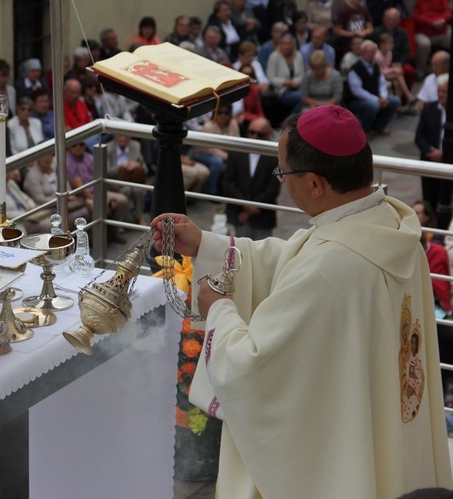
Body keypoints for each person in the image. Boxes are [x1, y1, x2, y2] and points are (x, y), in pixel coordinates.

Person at [151, 105, 453, 498]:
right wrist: (209, 245)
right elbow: (297, 258)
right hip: (386, 420)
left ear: (314, 183)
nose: (282, 182)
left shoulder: (331, 268)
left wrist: (219, 308)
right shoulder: (390, 226)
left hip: (339, 440)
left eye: (282, 173)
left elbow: (253, 365)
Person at [222, 117, 279, 240]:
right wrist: (244, 205)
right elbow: (229, 183)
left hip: (262, 216)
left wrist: (250, 209)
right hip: (237, 214)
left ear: (268, 135)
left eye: (260, 134)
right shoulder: (236, 152)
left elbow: (273, 188)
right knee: (238, 254)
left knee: (263, 255)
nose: (254, 137)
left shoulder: (275, 156)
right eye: (252, 132)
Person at [416, 74, 452, 226]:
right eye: (440, 91)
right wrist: (431, 151)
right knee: (429, 198)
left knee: (446, 199)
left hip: (449, 164)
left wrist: (445, 154)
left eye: (445, 91)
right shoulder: (429, 108)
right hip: (430, 161)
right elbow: (419, 136)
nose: (441, 95)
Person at [347, 40, 401, 138]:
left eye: (372, 52)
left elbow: (382, 83)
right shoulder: (355, 69)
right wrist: (377, 99)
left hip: (377, 97)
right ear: (362, 52)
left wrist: (383, 97)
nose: (370, 55)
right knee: (373, 105)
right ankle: (365, 130)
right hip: (357, 100)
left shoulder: (376, 66)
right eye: (367, 52)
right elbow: (357, 91)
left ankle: (379, 126)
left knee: (395, 100)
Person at [106, 134, 149, 225]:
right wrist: (120, 167)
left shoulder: (136, 146)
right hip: (115, 182)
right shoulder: (108, 148)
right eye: (120, 136)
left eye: (126, 136)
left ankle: (139, 218)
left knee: (138, 190)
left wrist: (137, 165)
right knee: (126, 190)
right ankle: (122, 222)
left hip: (132, 180)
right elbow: (106, 172)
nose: (123, 138)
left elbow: (145, 169)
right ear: (115, 136)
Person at [266, 33, 304, 115]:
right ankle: (291, 123)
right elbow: (271, 78)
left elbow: (301, 74)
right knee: (303, 98)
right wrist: (287, 82)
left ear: (293, 45)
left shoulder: (298, 55)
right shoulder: (274, 56)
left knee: (307, 95)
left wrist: (295, 82)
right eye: (284, 44)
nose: (287, 46)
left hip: (297, 88)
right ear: (280, 45)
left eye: (289, 44)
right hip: (282, 91)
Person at [413, 0, 451, 80]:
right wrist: (431, 22)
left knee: (450, 36)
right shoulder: (417, 2)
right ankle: (420, 71)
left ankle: (446, 67)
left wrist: (443, 20)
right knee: (423, 44)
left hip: (441, 30)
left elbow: (448, 12)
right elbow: (415, 16)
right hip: (423, 31)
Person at [375, 33, 415, 108]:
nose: (392, 45)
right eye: (390, 43)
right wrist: (393, 69)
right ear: (382, 45)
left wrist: (393, 66)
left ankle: (398, 106)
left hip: (386, 74)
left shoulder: (389, 53)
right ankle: (408, 95)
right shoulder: (377, 56)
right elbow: (380, 71)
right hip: (380, 75)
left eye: (392, 43)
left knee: (397, 82)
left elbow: (386, 66)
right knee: (398, 74)